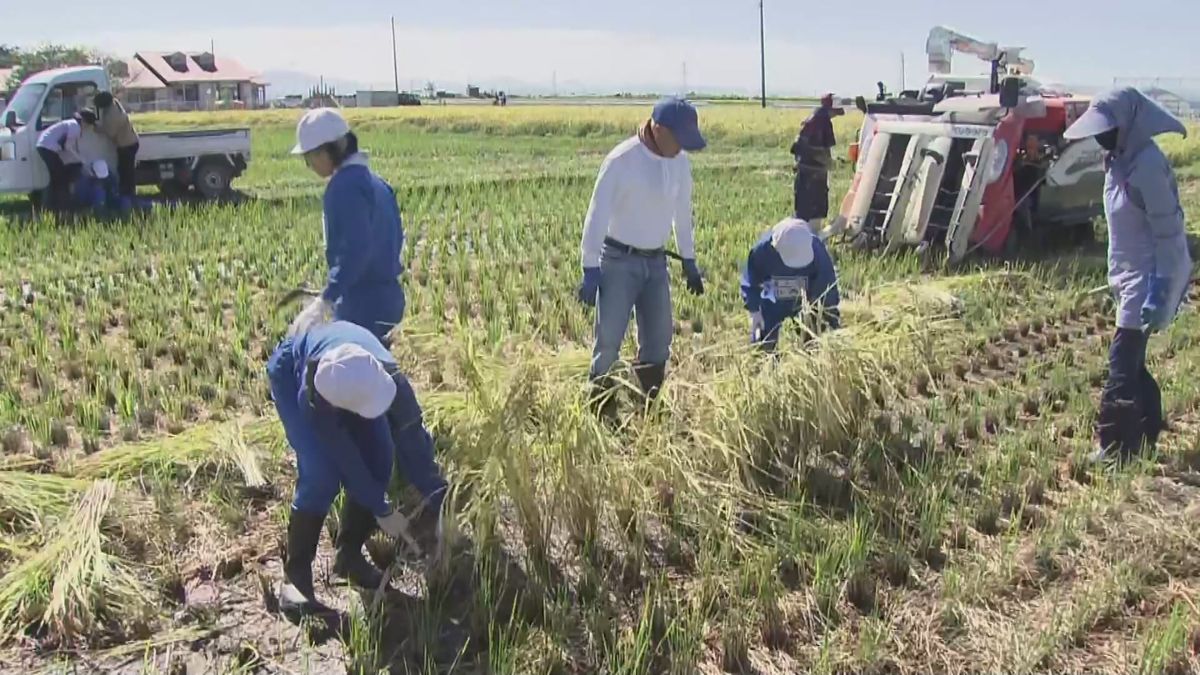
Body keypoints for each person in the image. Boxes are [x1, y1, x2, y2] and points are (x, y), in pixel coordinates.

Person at [266, 320, 449, 614]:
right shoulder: (313, 396)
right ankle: (295, 578)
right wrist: (382, 507)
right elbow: (346, 458)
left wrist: (441, 499)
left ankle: (348, 557)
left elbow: (412, 438)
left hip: (350, 381)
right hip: (291, 373)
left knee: (380, 455)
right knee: (321, 472)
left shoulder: (384, 374)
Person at [1062, 87, 1193, 464]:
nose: (1101, 136)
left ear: (1129, 126)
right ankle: (1149, 430)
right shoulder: (1117, 161)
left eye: (1108, 128)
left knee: (1121, 363)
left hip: (1151, 278)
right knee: (1132, 362)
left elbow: (1169, 231)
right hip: (1129, 278)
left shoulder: (1148, 165)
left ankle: (1114, 447)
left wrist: (1161, 287)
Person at [577, 97, 707, 418]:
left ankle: (648, 409)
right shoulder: (622, 160)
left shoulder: (679, 161)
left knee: (659, 341)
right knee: (608, 341)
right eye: (679, 140)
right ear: (658, 129)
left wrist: (688, 259)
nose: (682, 148)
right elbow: (597, 213)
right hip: (619, 262)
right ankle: (601, 412)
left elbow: (682, 213)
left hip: (656, 263)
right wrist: (590, 266)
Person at [288, 108, 406, 344]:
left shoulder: (343, 187)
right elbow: (395, 239)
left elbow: (356, 250)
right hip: (390, 299)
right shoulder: (377, 183)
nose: (309, 165)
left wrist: (328, 298)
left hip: (362, 306)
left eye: (309, 157)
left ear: (328, 150)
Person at [741, 217, 841, 352]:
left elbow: (827, 287)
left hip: (806, 301)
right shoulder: (763, 251)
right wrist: (754, 312)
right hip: (772, 301)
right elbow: (751, 280)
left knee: (812, 342)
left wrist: (830, 320)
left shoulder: (817, 251)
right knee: (764, 343)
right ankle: (767, 363)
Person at [790, 94, 843, 234]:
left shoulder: (812, 119)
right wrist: (829, 163)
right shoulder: (823, 122)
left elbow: (797, 147)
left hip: (804, 173)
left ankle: (799, 238)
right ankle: (813, 241)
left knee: (802, 211)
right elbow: (822, 151)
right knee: (815, 214)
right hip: (814, 175)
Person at [36, 110, 97, 211]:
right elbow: (68, 147)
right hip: (48, 148)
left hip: (45, 147)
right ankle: (58, 206)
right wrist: (80, 159)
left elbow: (66, 147)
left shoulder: (71, 123)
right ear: (85, 122)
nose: (89, 127)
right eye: (90, 124)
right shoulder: (75, 127)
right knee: (59, 178)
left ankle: (51, 206)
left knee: (56, 178)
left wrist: (76, 158)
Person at [92, 92, 140, 210]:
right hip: (130, 142)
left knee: (126, 173)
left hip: (126, 145)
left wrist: (97, 129)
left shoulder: (112, 115)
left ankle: (128, 200)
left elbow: (110, 132)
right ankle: (128, 197)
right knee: (126, 171)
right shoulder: (114, 105)